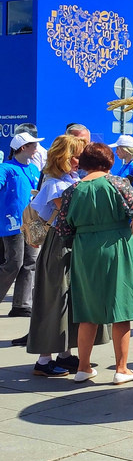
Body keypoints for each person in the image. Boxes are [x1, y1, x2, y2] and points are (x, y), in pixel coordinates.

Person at [56, 142, 133, 384]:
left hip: (85, 249)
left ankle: (83, 367)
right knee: (121, 307)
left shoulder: (72, 190)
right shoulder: (118, 183)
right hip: (117, 246)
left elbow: (63, 228)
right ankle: (121, 369)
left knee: (87, 311)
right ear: (108, 161)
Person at [26, 134, 88, 376]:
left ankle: (64, 353)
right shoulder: (55, 184)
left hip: (66, 243)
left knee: (67, 297)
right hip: (58, 245)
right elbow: (72, 213)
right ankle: (44, 359)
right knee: (55, 297)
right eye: (76, 155)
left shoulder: (65, 179)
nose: (79, 160)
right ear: (65, 157)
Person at [1, 131, 44, 320]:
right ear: (23, 148)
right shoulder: (6, 168)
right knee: (14, 263)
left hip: (33, 221)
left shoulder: (34, 169)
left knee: (31, 263)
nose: (37, 148)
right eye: (33, 145)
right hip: (13, 222)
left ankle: (21, 304)